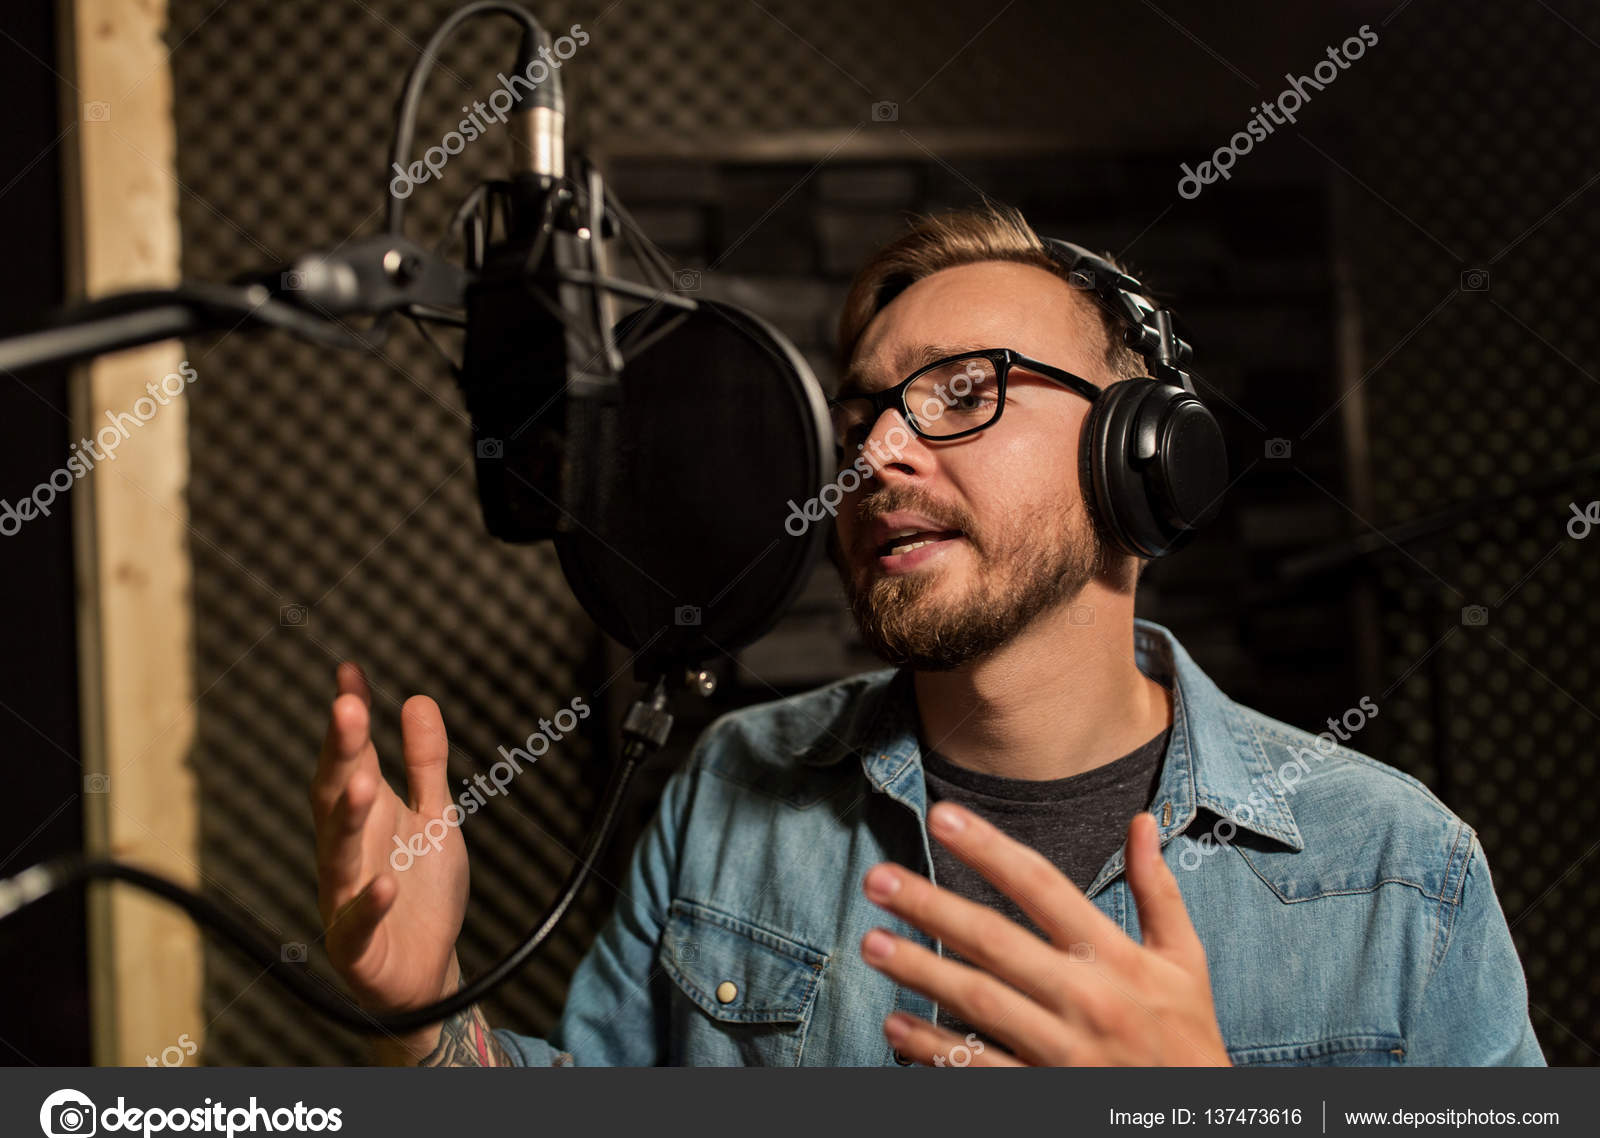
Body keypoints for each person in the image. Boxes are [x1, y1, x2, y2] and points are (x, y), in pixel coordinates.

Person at [308, 203, 1543, 1067]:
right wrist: (424, 1026)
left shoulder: (1392, 870)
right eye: (862, 417)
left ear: (1142, 455)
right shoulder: (733, 784)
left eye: (963, 390)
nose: (878, 454)